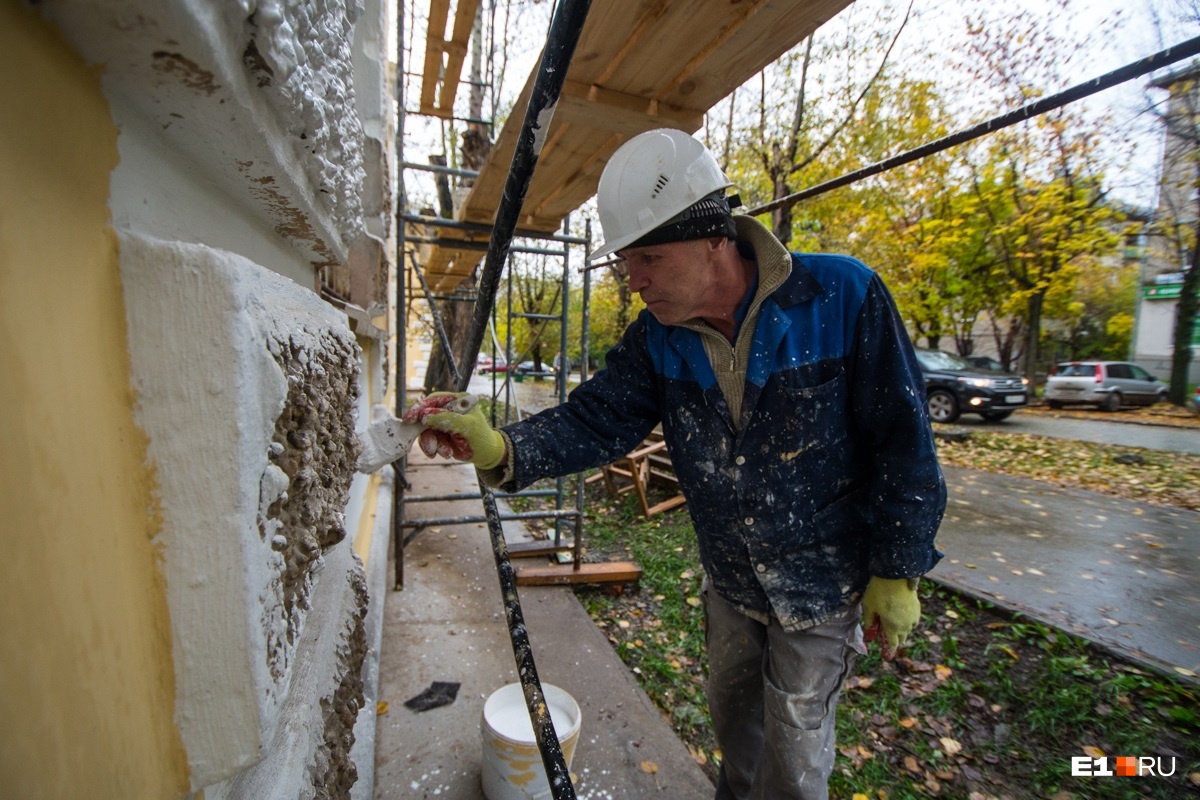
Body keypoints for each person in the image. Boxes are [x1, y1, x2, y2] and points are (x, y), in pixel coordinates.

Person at [418, 128, 945, 800]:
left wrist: (899, 567)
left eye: (650, 259)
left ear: (714, 239)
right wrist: (498, 447)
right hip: (730, 581)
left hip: (821, 588)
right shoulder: (657, 338)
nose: (633, 282)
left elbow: (905, 437)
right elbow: (595, 419)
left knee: (796, 748)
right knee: (735, 722)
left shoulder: (841, 297)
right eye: (626, 263)